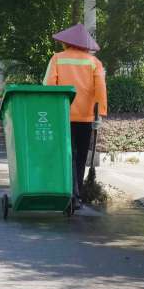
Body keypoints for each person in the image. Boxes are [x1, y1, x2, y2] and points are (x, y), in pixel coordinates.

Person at [44, 24, 107, 209]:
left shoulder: (57, 59)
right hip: (86, 117)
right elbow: (100, 89)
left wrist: (51, 112)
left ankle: (68, 192)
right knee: (80, 157)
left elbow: (49, 86)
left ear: (66, 43)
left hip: (63, 116)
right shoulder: (94, 63)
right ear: (86, 44)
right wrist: (100, 114)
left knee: (66, 155)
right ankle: (77, 193)